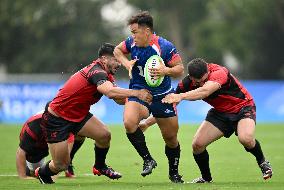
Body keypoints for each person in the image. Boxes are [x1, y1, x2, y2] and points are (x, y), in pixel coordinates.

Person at [35, 43, 152, 184]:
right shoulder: (96, 71)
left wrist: (136, 102)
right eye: (116, 60)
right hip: (57, 118)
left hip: (78, 115)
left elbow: (118, 98)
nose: (119, 64)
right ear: (104, 59)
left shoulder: (107, 74)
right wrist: (137, 93)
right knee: (61, 165)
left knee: (104, 135)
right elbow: (109, 92)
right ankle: (42, 173)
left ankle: (100, 166)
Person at [162, 58, 273, 183]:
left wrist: (181, 96)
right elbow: (170, 104)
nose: (203, 83)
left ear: (208, 71)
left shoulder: (219, 72)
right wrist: (147, 122)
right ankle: (206, 178)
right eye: (200, 81)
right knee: (197, 145)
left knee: (245, 139)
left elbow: (205, 91)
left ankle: (263, 162)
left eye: (205, 79)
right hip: (220, 112)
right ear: (192, 78)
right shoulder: (187, 83)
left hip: (243, 107)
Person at [114, 11, 185, 183]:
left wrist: (165, 70)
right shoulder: (131, 43)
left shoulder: (165, 46)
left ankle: (173, 173)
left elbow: (180, 69)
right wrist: (126, 63)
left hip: (163, 96)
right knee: (129, 122)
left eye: (135, 32)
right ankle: (147, 159)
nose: (132, 36)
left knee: (170, 137)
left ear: (147, 32)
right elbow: (117, 51)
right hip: (139, 91)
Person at [16, 112, 76, 179]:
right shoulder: (33, 126)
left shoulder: (65, 125)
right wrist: (23, 177)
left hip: (51, 135)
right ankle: (29, 170)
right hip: (38, 143)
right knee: (36, 170)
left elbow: (65, 154)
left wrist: (60, 167)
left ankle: (68, 166)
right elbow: (20, 151)